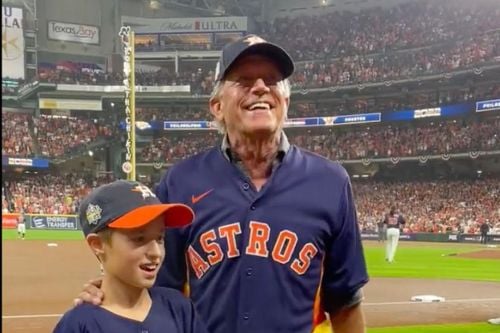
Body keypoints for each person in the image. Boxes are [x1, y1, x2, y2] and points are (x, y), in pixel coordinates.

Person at [76, 34, 369, 333]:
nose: (260, 88)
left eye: (272, 79)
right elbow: (156, 291)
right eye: (243, 80)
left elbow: (345, 300)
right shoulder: (181, 181)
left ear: (286, 100)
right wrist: (107, 291)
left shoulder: (330, 181)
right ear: (216, 106)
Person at [54, 180, 208, 333]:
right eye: (139, 239)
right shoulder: (79, 324)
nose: (156, 252)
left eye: (160, 238)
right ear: (98, 244)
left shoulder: (180, 308)